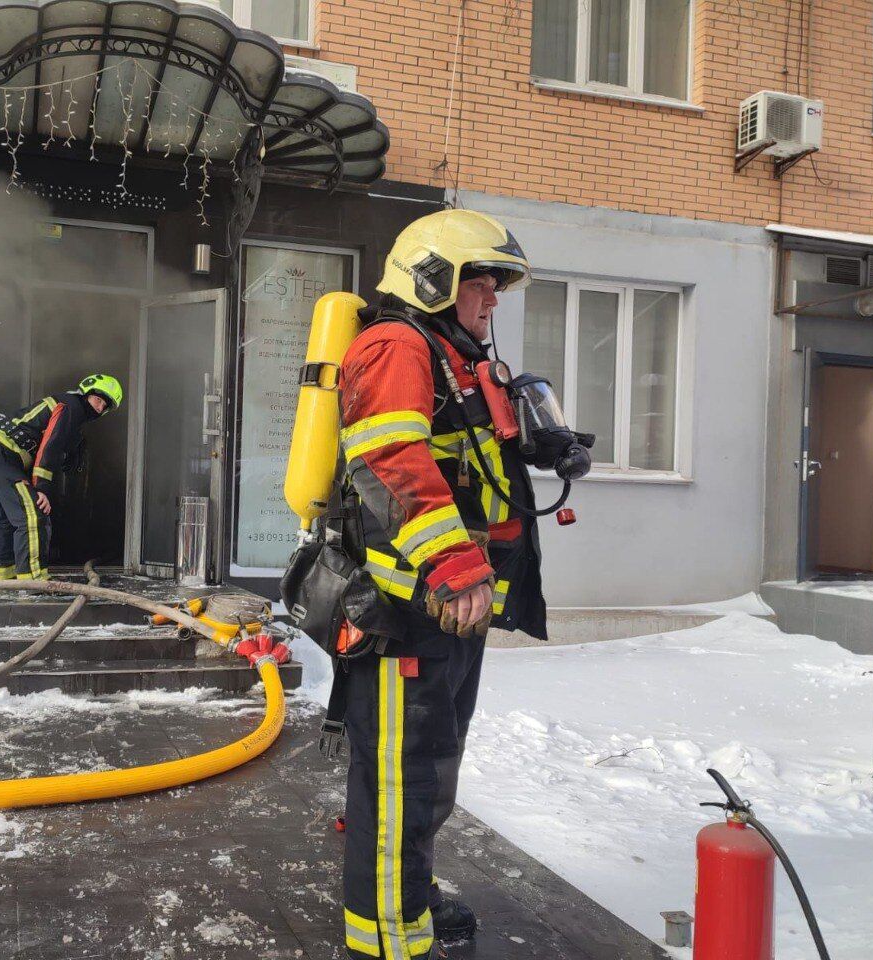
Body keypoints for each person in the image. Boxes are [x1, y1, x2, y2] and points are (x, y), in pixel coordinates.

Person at [337, 210, 548, 959]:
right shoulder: (396, 344)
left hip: (447, 608)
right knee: (401, 780)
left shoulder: (445, 353)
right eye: (480, 283)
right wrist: (457, 567)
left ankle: (408, 897)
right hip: (410, 611)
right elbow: (390, 459)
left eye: (495, 286)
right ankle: (390, 941)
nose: (492, 301)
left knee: (428, 771)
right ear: (434, 279)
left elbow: (471, 466)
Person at [0, 374, 122, 580]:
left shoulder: (69, 409)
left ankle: (6, 576)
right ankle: (33, 582)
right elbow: (51, 447)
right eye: (98, 400)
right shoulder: (71, 406)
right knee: (32, 513)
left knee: (6, 517)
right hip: (1, 453)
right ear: (87, 393)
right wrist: (42, 488)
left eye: (105, 406)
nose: (99, 408)